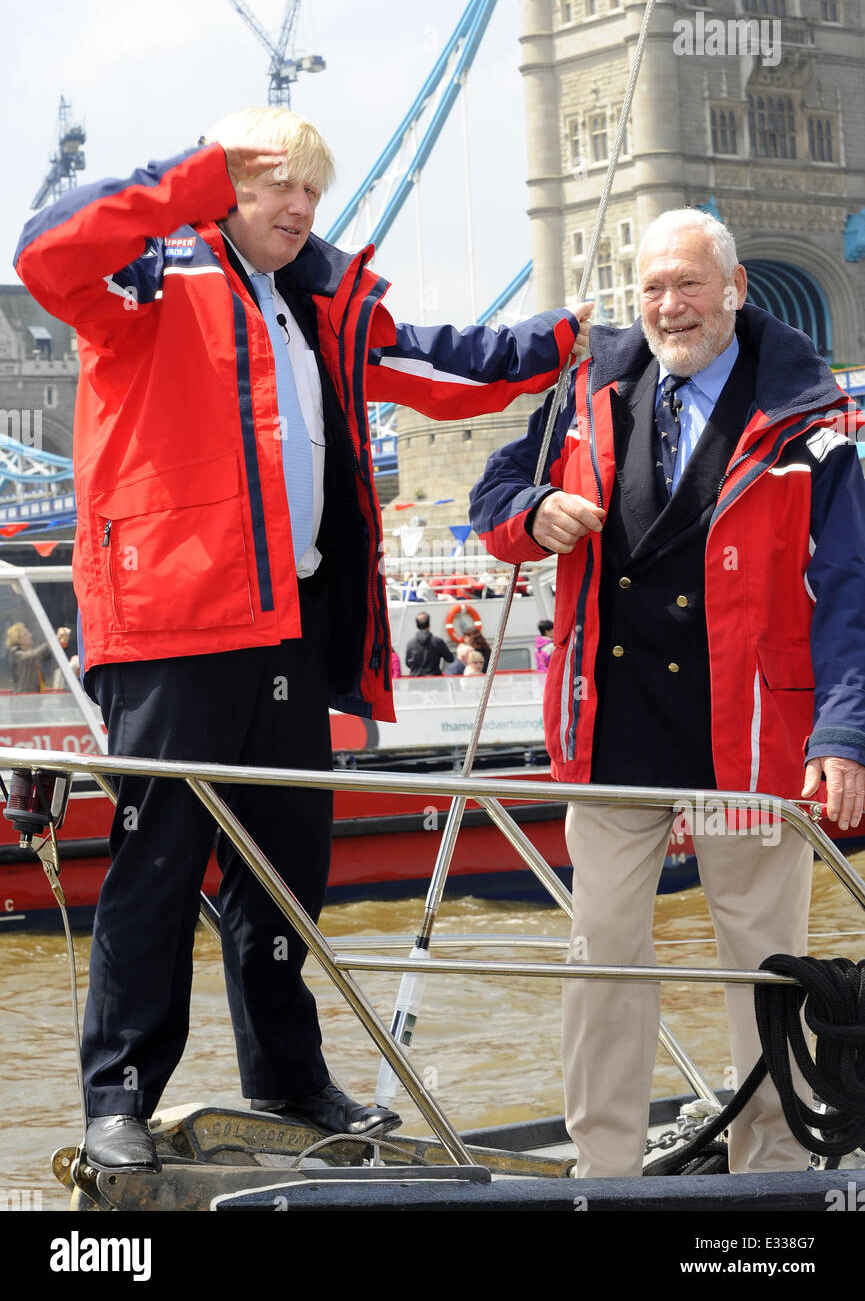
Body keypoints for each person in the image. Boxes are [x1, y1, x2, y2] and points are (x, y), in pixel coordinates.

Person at [15, 105, 590, 1174]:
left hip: (286, 623)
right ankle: (121, 1096)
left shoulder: (319, 302)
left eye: (313, 192)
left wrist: (570, 338)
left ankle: (286, 1080)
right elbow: (45, 252)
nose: (299, 209)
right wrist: (186, 177)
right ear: (219, 186)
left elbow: (444, 366)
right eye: (276, 185)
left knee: (285, 870)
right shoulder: (146, 275)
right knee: (154, 868)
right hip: (172, 625)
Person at [470, 208, 865, 1178]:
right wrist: (532, 510)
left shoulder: (809, 423)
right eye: (651, 286)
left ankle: (767, 1164)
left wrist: (844, 732)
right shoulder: (586, 389)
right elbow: (494, 499)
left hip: (748, 728)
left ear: (735, 290)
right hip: (611, 725)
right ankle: (601, 1165)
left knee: (759, 956)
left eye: (688, 283)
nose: (668, 304)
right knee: (601, 947)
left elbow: (850, 584)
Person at [6, 622, 52, 692]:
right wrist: (48, 645)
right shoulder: (16, 654)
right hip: (22, 698)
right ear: (17, 639)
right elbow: (30, 657)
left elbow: (49, 659)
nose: (30, 635)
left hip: (36, 696)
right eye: (26, 634)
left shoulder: (32, 652)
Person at [405, 611, 455, 676]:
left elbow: (408, 663)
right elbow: (450, 659)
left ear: (417, 625)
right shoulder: (437, 642)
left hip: (415, 681)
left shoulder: (410, 643)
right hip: (434, 681)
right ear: (429, 624)